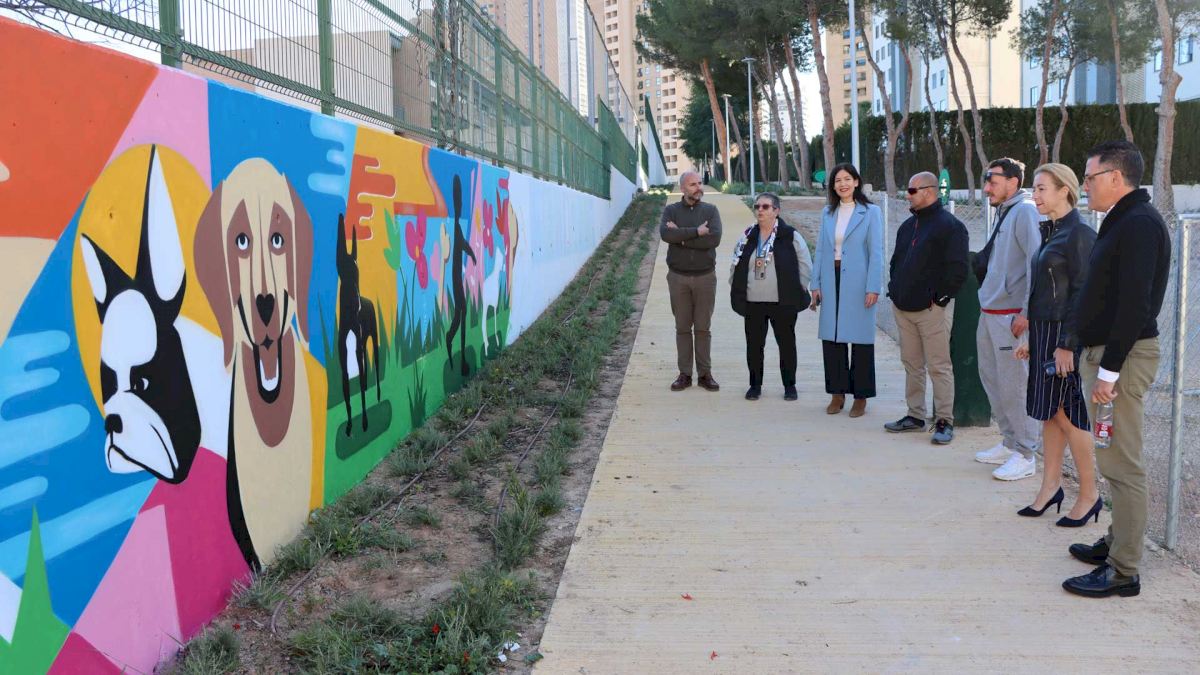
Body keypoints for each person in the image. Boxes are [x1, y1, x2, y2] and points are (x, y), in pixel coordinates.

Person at [1063, 141, 1170, 599]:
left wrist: (1109, 371)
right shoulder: (1122, 219)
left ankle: (1124, 569)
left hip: (1120, 361)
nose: (1084, 186)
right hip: (1108, 357)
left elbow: (1135, 305)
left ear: (1115, 176)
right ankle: (1116, 541)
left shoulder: (1139, 223)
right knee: (1111, 457)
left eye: (1089, 177)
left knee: (1122, 464)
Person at [1013, 164, 1099, 527]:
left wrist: (1066, 344)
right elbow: (1044, 292)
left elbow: (1083, 294)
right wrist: (1033, 339)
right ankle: (1050, 488)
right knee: (1050, 413)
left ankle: (1090, 494)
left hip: (1065, 335)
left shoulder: (1078, 234)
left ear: (1065, 190)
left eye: (1042, 188)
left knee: (1068, 414)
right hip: (1045, 333)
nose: (1035, 195)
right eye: (1034, 188)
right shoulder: (1051, 231)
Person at [884, 172, 969, 444]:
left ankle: (944, 420)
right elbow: (896, 262)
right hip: (903, 308)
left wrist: (939, 300)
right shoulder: (908, 226)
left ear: (929, 191)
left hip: (932, 311)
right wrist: (894, 290)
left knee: (939, 366)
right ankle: (915, 416)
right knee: (912, 364)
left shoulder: (951, 226)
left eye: (912, 190)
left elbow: (958, 269)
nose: (907, 195)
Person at [973, 158, 1045, 481]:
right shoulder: (1005, 211)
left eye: (993, 180)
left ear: (1013, 182)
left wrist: (1026, 313)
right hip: (990, 313)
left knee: (1016, 386)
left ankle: (1026, 453)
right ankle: (1009, 442)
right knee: (993, 380)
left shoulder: (1025, 212)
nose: (987, 187)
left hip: (1010, 317)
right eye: (986, 180)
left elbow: (1035, 264)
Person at [810, 163, 883, 418]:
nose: (842, 184)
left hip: (859, 282)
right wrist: (815, 283)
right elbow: (821, 249)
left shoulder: (871, 212)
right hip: (831, 278)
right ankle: (837, 393)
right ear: (832, 185)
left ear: (856, 182)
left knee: (861, 340)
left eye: (847, 179)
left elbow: (876, 252)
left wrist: (873, 286)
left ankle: (861, 396)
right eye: (838, 180)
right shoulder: (828, 213)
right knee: (832, 338)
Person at [730, 192, 812, 401]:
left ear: (776, 211)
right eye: (757, 206)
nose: (760, 210)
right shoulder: (748, 235)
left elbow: (805, 263)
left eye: (765, 207)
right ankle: (755, 386)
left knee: (786, 345)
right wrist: (736, 285)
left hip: (783, 302)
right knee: (754, 347)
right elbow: (736, 262)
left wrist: (800, 288)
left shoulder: (790, 235)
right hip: (753, 302)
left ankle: (790, 386)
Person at [660, 171, 723, 392]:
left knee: (703, 328)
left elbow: (713, 239)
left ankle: (705, 374)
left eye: (699, 183)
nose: (698, 188)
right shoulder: (671, 211)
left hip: (705, 277)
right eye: (693, 184)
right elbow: (666, 235)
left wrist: (682, 237)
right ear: (683, 188)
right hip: (678, 278)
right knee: (683, 328)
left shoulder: (711, 211)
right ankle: (685, 374)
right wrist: (697, 232)